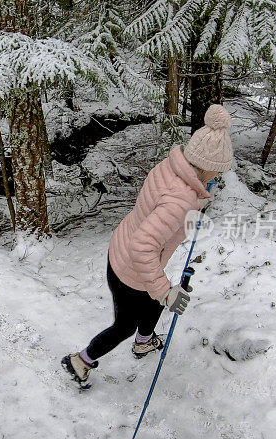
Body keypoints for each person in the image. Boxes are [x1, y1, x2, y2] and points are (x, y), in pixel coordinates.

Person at [62, 104, 234, 389]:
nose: (219, 176)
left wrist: (198, 200)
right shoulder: (181, 201)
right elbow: (144, 245)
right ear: (205, 165)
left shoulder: (173, 167)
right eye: (217, 170)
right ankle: (80, 360)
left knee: (153, 298)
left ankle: (144, 342)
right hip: (131, 267)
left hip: (124, 248)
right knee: (126, 324)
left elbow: (167, 205)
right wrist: (166, 293)